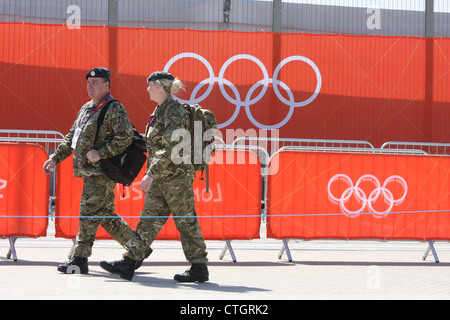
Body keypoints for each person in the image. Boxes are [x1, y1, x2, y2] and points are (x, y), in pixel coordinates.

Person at [99, 71, 209, 282]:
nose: (146, 89)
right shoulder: (160, 111)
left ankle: (199, 267)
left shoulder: (174, 111)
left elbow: (171, 146)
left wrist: (151, 173)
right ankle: (129, 262)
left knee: (186, 221)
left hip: (176, 177)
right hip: (163, 177)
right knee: (148, 220)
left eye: (149, 85)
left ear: (158, 86)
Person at [43, 67, 150, 274]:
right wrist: (56, 158)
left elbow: (124, 138)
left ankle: (79, 258)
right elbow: (72, 136)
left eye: (95, 83)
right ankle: (138, 247)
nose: (89, 87)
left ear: (106, 85)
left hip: (101, 172)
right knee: (103, 215)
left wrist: (100, 153)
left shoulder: (114, 108)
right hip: (89, 171)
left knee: (87, 212)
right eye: (88, 83)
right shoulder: (86, 108)